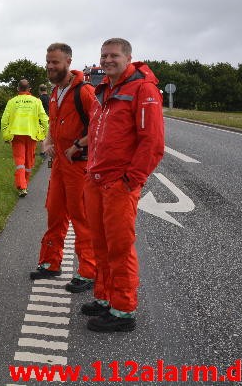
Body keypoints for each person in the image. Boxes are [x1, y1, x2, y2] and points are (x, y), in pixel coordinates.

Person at [81, 38, 164, 332]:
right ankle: (105, 298)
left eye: (113, 55)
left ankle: (123, 311)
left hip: (118, 183)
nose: (107, 60)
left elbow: (152, 143)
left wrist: (131, 181)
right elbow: (97, 134)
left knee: (119, 247)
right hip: (96, 179)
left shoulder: (143, 89)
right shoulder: (105, 89)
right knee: (100, 244)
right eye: (103, 56)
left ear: (128, 58)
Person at [31, 43, 97, 294]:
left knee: (81, 217)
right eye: (48, 61)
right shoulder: (56, 91)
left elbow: (99, 126)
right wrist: (48, 141)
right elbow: (53, 124)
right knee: (55, 212)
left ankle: (88, 271)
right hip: (59, 163)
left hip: (78, 164)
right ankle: (50, 263)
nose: (49, 66)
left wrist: (77, 145)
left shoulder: (85, 92)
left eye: (55, 62)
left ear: (68, 62)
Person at [1, 79, 48, 197]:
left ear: (18, 89)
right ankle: (24, 184)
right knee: (28, 161)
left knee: (19, 161)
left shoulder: (12, 102)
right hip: (31, 135)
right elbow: (44, 119)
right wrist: (44, 135)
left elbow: (4, 121)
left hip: (16, 135)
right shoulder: (36, 101)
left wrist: (6, 136)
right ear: (29, 89)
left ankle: (22, 187)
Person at [37, 84, 51, 158]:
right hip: (50, 117)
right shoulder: (50, 97)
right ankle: (49, 149)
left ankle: (43, 152)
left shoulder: (39, 99)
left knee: (42, 135)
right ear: (46, 89)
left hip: (42, 118)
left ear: (40, 90)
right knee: (49, 134)